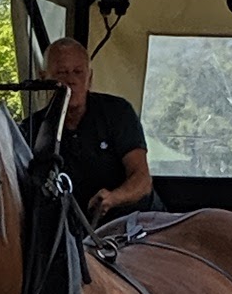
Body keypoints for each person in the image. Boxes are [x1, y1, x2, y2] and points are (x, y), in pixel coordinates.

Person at [25, 37, 152, 221]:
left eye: (78, 72)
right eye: (61, 73)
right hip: (68, 234)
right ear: (43, 78)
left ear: (90, 78)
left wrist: (114, 198)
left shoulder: (117, 112)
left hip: (131, 226)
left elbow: (142, 179)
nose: (71, 80)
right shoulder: (31, 129)